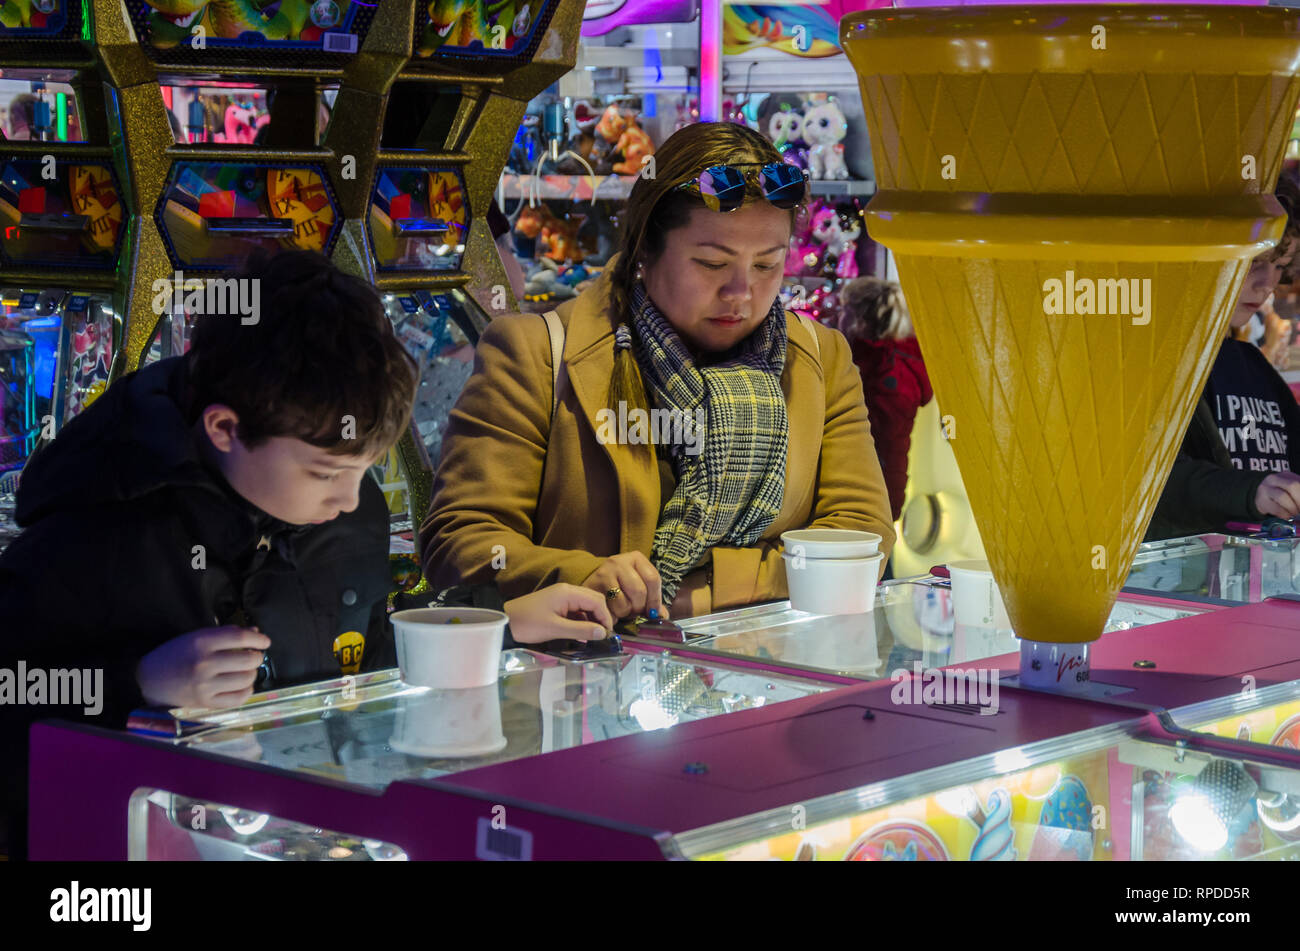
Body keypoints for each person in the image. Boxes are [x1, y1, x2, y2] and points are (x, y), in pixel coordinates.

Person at [0, 250, 614, 859]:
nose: (350, 499)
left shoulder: (334, 506)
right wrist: (138, 682)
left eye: (365, 469)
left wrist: (499, 624)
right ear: (225, 429)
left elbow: (363, 653)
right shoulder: (99, 523)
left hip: (283, 833)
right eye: (326, 473)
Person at [421, 122, 895, 621]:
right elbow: (461, 541)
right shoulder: (536, 354)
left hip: (770, 680)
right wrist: (580, 577)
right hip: (580, 681)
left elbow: (862, 534)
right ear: (645, 248)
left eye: (767, 265)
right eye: (712, 263)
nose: (742, 292)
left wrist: (688, 599)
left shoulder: (821, 356)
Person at [1146, 177, 1300, 540]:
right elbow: (1146, 484)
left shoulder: (1251, 362)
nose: (1267, 283)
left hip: (1253, 578)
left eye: (1281, 266)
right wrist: (1251, 492)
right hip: (1181, 583)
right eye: (1254, 262)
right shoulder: (1155, 361)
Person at [836, 277, 932, 523]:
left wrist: (886, 512)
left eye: (844, 308)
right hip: (860, 498)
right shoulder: (868, 361)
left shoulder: (890, 375)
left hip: (869, 510)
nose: (839, 316)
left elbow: (891, 447)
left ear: (861, 318)